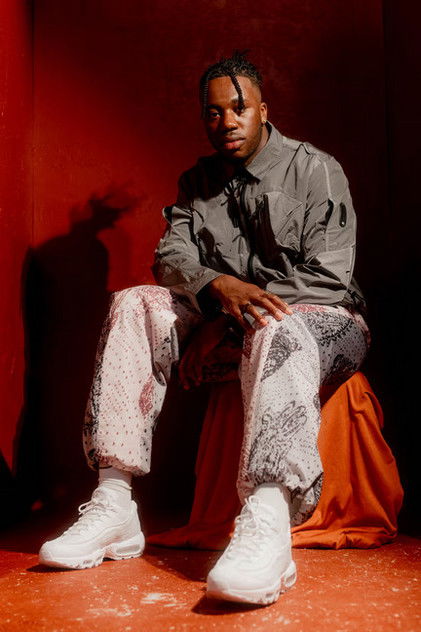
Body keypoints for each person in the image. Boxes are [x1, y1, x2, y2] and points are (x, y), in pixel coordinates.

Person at [38, 51, 370, 605]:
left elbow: (328, 277)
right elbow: (170, 259)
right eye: (213, 113)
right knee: (134, 304)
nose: (227, 122)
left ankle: (267, 520)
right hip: (228, 322)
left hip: (327, 322)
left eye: (239, 108)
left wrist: (225, 326)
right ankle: (114, 502)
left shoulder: (316, 169)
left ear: (263, 109)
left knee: (275, 326)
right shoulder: (197, 181)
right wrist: (218, 291)